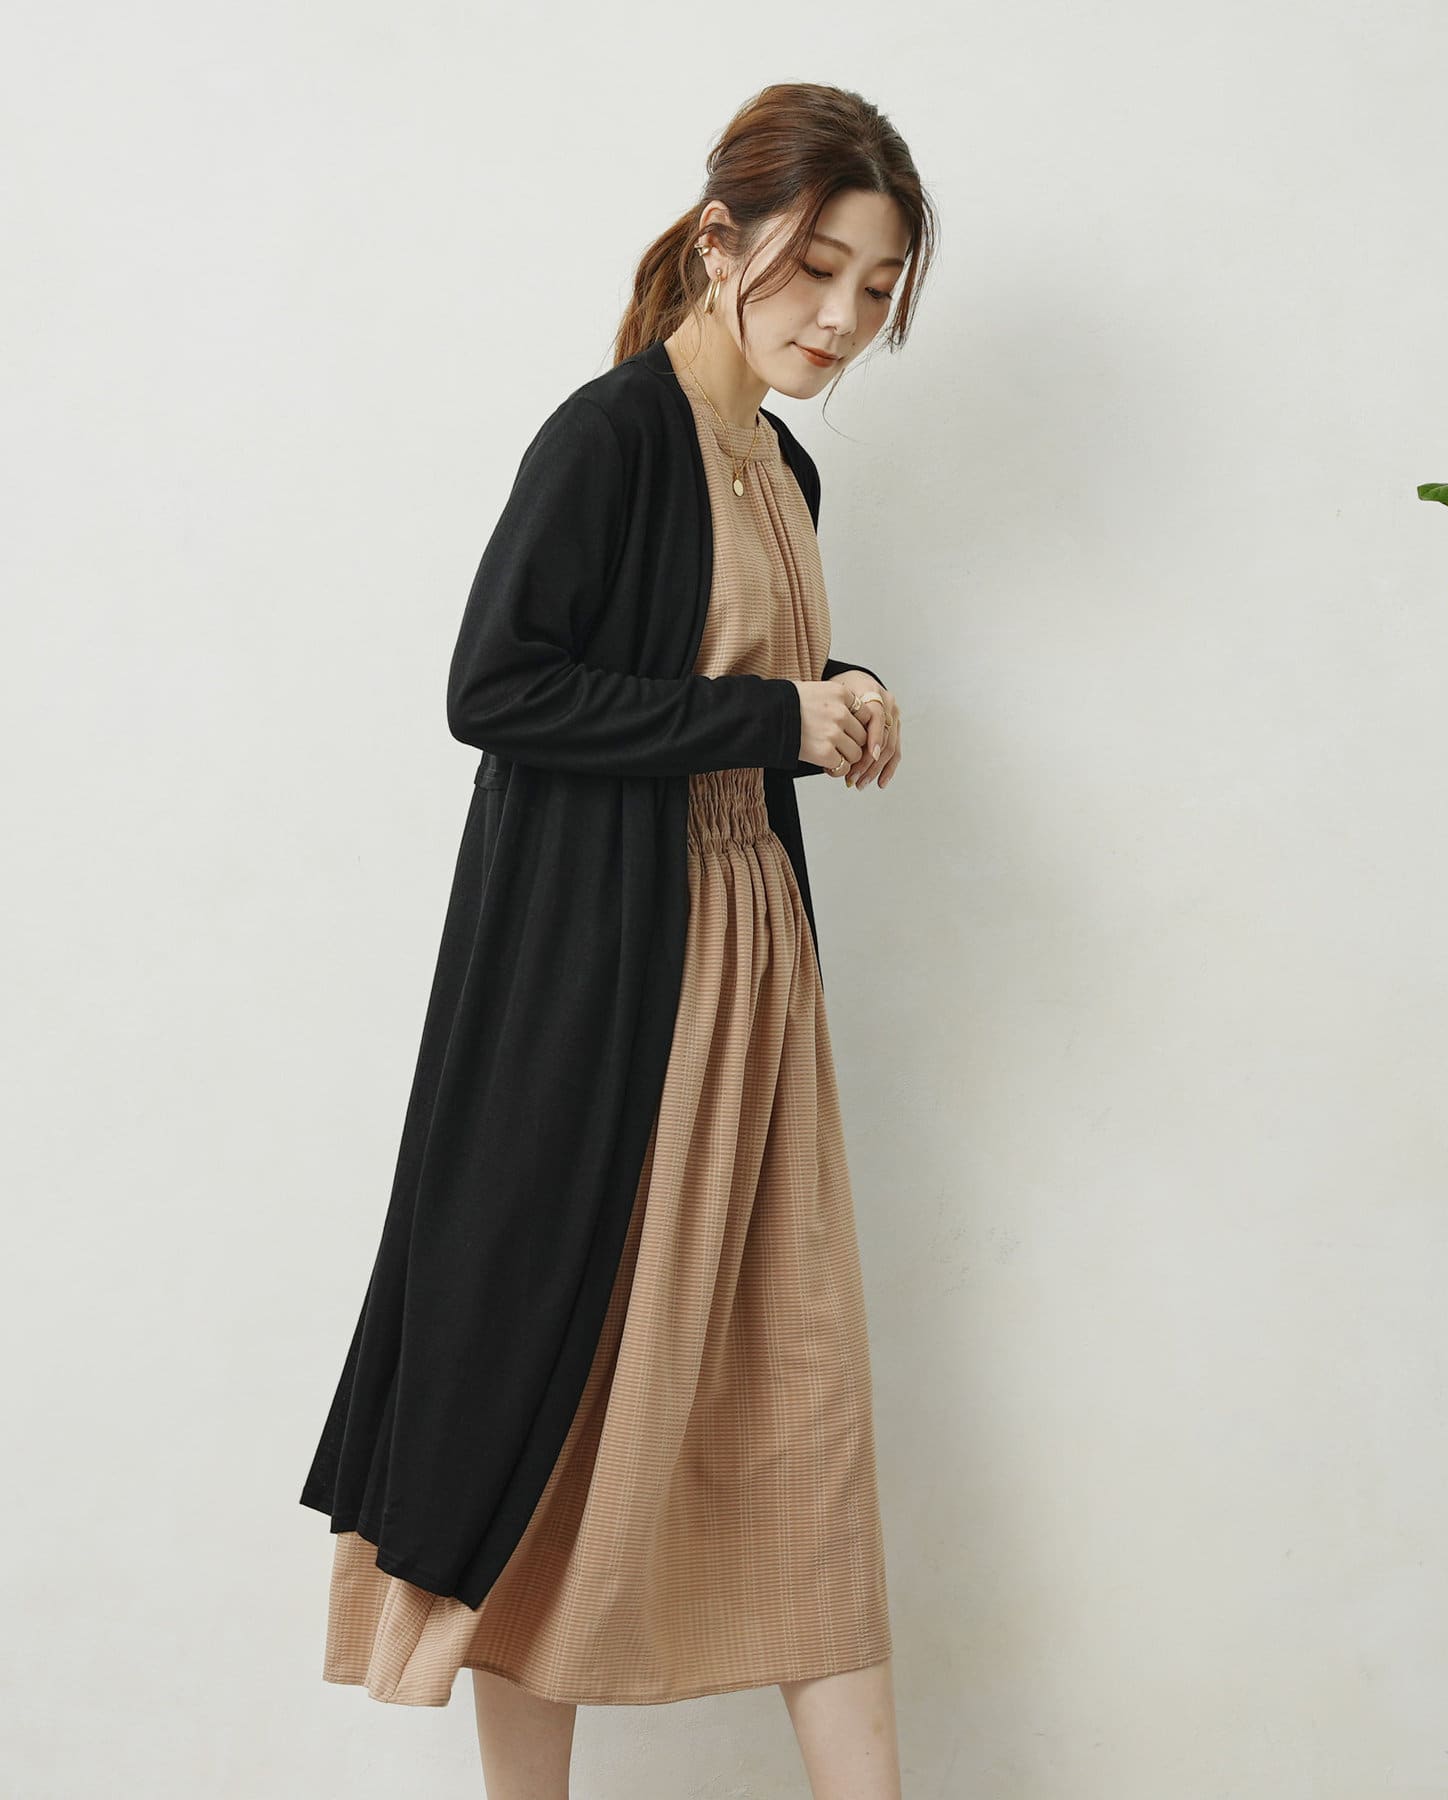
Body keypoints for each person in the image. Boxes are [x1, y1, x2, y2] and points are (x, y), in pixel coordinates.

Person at [299, 80, 936, 1800]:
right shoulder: (609, 437)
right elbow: (498, 688)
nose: (842, 319)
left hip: (751, 980)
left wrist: (841, 692)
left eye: (878, 290)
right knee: (568, 1398)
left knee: (808, 1410)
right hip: (607, 993)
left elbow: (720, 677)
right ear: (722, 240)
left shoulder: (784, 465)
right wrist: (776, 720)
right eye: (819, 269)